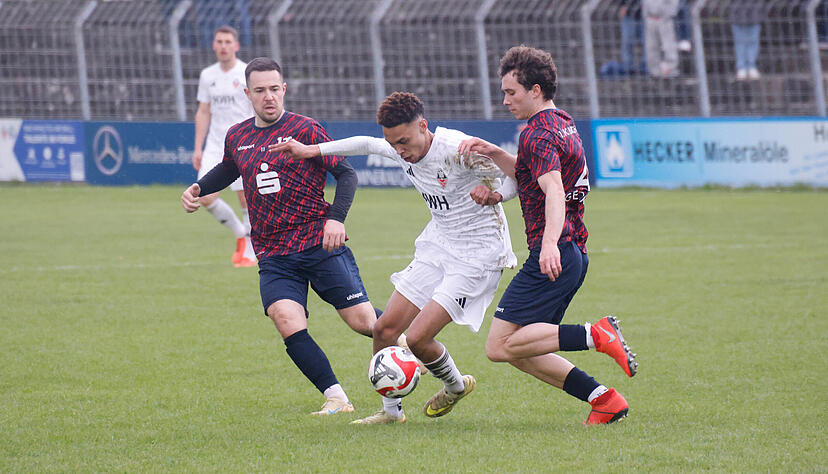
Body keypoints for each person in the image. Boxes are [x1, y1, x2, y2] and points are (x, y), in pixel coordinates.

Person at [269, 91, 517, 425]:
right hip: (440, 244)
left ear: (423, 126)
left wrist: (497, 193)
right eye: (393, 143)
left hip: (478, 252)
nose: (399, 150)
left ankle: (454, 386)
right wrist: (312, 150)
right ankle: (392, 413)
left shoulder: (460, 150)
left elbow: (519, 176)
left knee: (415, 338)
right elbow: (367, 144)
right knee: (384, 329)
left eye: (403, 141)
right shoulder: (400, 147)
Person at [181, 57, 382, 416]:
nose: (268, 96)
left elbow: (347, 175)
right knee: (285, 319)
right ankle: (336, 397)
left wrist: (336, 219)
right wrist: (198, 187)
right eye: (260, 91)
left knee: (364, 323)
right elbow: (229, 168)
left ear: (284, 89)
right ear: (247, 94)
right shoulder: (238, 135)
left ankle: (416, 343)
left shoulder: (306, 130)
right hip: (273, 253)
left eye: (274, 89)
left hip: (318, 243)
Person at [458, 45, 638, 425]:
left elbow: (553, 189)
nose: (505, 100)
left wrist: (549, 245)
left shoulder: (536, 133)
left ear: (535, 90)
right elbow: (529, 176)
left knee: (498, 346)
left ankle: (596, 334)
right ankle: (604, 400)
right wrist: (492, 151)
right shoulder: (563, 122)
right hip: (573, 251)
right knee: (521, 349)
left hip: (555, 251)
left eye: (512, 92)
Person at [192, 25, 256, 267]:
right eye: (219, 41)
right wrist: (198, 148)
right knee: (204, 195)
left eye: (228, 42)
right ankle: (241, 234)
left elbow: (255, 109)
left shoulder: (245, 73)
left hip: (242, 143)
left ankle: (250, 249)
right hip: (215, 145)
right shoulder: (208, 75)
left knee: (245, 199)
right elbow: (203, 111)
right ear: (213, 45)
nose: (223, 46)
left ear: (236, 46)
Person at [729, 0, 766, 81]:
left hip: (754, 14)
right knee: (740, 42)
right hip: (737, 14)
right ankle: (741, 67)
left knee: (753, 41)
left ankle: (751, 66)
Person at [643, 0, 680, 78]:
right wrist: (645, 14)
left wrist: (668, 14)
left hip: (664, 19)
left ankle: (670, 68)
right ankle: (654, 71)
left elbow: (674, 3)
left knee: (668, 45)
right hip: (650, 18)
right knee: (651, 46)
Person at [619, 0, 647, 75]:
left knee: (647, 42)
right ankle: (628, 67)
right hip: (628, 13)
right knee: (627, 42)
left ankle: (645, 66)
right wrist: (623, 5)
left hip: (646, 12)